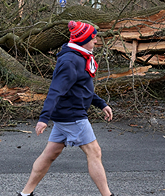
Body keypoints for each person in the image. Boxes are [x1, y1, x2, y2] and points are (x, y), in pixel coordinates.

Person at [18, 21, 115, 196]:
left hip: (67, 115)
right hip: (73, 115)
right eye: (93, 39)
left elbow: (81, 88)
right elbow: (55, 90)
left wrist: (101, 104)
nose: (96, 42)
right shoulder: (71, 60)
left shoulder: (79, 56)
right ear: (83, 40)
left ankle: (25, 194)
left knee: (49, 155)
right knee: (94, 152)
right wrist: (43, 119)